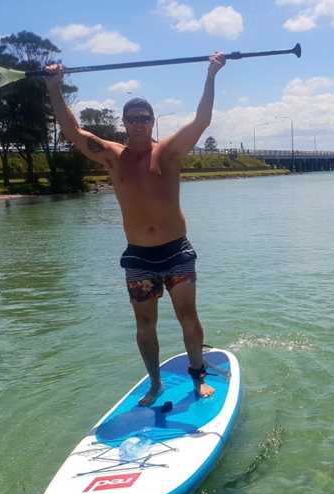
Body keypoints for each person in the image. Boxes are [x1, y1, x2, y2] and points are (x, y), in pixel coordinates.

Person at [44, 52, 226, 406]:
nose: (139, 124)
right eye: (133, 119)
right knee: (145, 326)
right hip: (139, 256)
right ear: (124, 123)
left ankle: (198, 377)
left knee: (188, 317)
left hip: (176, 251)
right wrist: (54, 87)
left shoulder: (169, 152)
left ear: (152, 121)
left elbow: (202, 120)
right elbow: (72, 131)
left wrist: (211, 74)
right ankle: (155, 384)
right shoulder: (113, 156)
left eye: (145, 118)